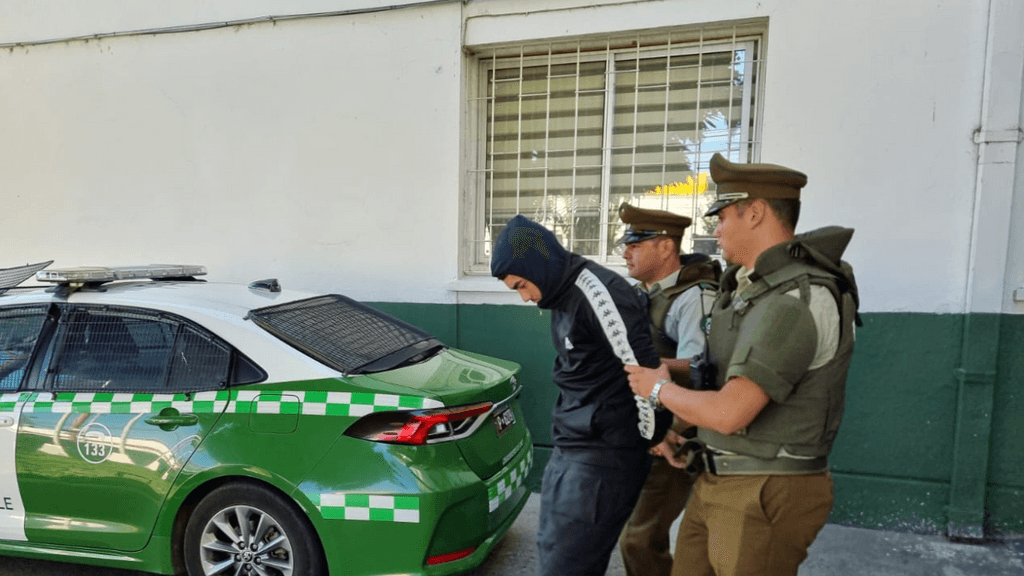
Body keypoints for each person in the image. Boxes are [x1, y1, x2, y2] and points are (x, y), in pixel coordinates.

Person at [625, 153, 860, 576]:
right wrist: (675, 408)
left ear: (754, 213)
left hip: (764, 489)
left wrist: (656, 389)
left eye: (721, 217)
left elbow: (731, 411)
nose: (715, 230)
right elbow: (716, 372)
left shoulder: (794, 299)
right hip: (720, 476)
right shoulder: (749, 289)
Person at [491, 215, 663, 576]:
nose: (525, 298)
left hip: (603, 457)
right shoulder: (561, 294)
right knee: (553, 552)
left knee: (567, 566)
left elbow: (645, 373)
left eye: (522, 285)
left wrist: (655, 435)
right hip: (572, 446)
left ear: (538, 265)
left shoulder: (598, 293)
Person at [615, 203, 720, 576]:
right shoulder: (645, 293)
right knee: (634, 536)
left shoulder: (694, 297)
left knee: (640, 540)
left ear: (665, 247)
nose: (625, 252)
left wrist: (670, 431)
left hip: (673, 438)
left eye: (636, 243)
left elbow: (703, 372)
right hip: (642, 432)